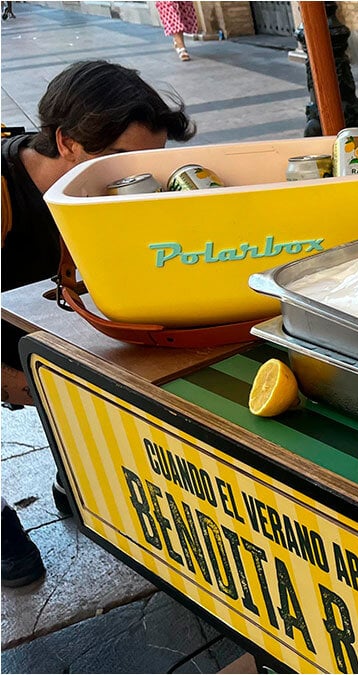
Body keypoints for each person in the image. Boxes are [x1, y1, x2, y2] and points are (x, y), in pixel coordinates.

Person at [0, 60, 195, 587]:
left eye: (152, 162)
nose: (141, 179)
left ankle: (75, 476)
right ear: (66, 143)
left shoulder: (111, 185)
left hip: (38, 315)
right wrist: (32, 387)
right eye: (120, 161)